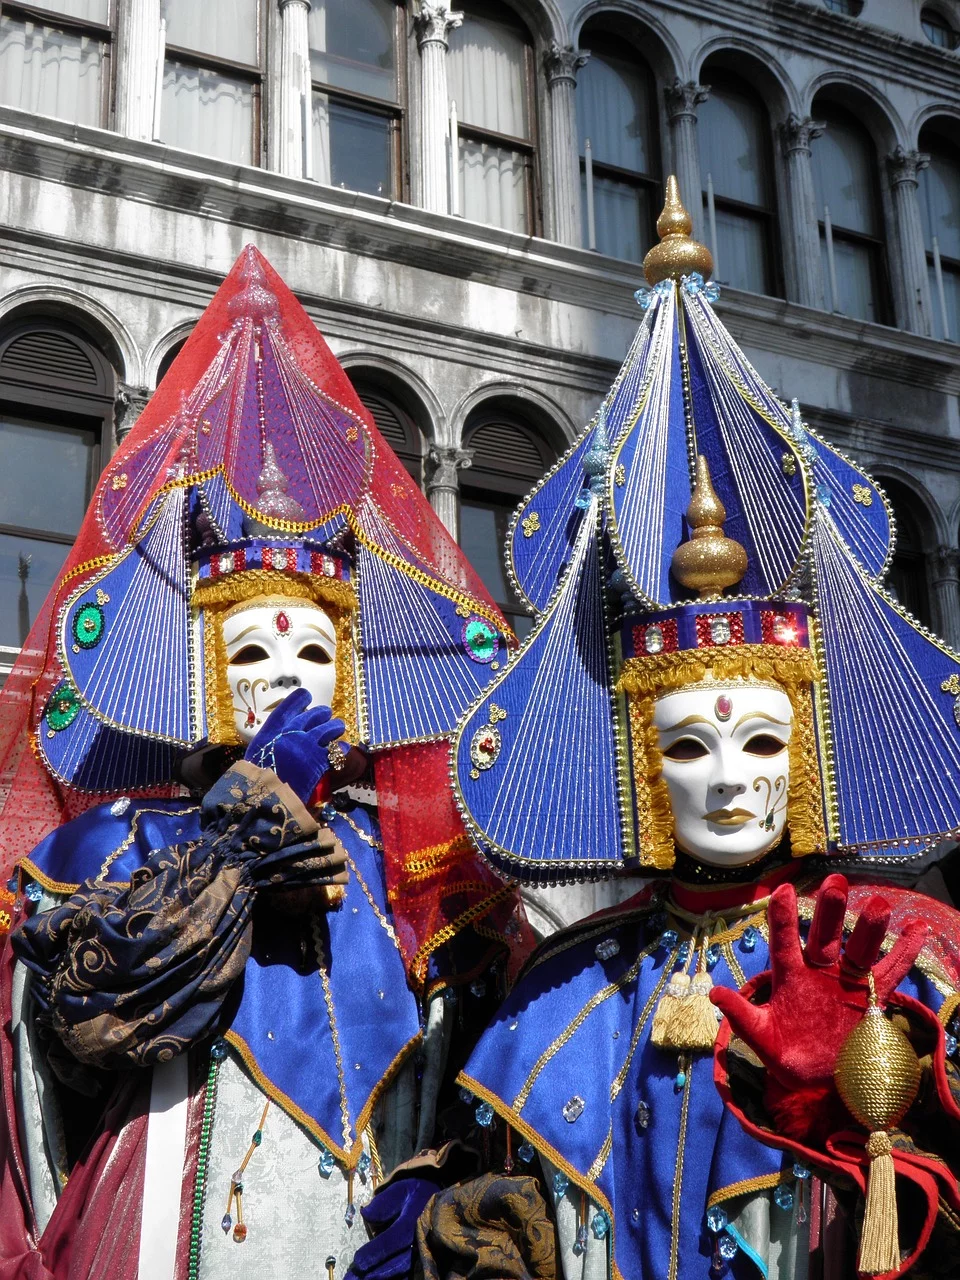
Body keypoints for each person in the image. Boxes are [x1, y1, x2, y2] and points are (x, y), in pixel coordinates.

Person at [422, 180, 960, 1280]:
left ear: (808, 747)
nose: (727, 782)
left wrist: (855, 1104)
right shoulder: (568, 981)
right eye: (687, 744)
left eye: (762, 742)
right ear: (633, 758)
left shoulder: (904, 949)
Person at [0, 247, 532, 1280]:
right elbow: (79, 1035)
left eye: (310, 651)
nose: (284, 676)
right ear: (202, 669)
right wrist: (228, 853)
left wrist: (440, 1183)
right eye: (250, 651)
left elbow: (476, 1060)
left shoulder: (408, 866)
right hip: (175, 1219)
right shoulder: (119, 848)